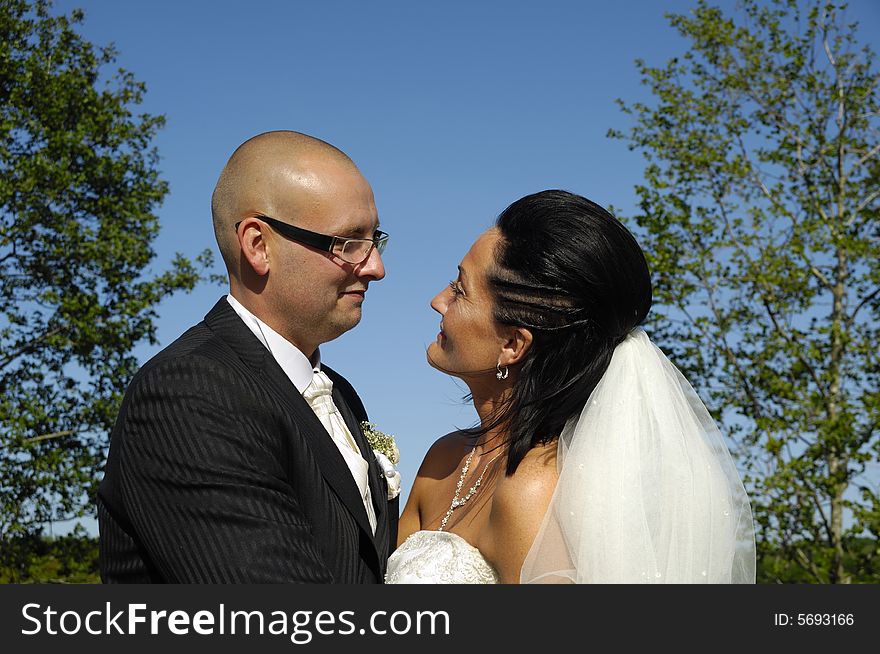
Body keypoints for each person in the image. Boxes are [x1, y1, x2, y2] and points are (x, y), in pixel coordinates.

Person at [386, 189, 755, 584]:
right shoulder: (444, 458)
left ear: (513, 344)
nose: (437, 301)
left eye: (460, 289)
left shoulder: (531, 489)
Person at [97, 130, 398, 583]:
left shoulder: (343, 395)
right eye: (348, 243)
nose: (376, 267)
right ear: (258, 245)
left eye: (375, 240)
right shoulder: (189, 393)